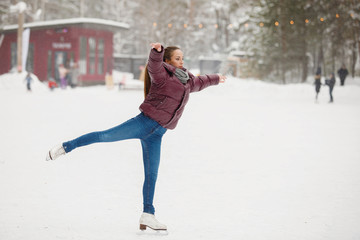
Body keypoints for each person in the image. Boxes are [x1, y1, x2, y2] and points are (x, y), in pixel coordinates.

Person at [46, 42, 226, 231]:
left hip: (157, 134)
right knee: (104, 136)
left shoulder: (187, 80)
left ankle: (148, 214)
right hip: (143, 124)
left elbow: (201, 81)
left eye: (182, 58)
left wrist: (216, 78)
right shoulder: (161, 74)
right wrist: (157, 52)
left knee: (151, 175)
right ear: (168, 61)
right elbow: (154, 64)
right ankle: (66, 147)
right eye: (177, 58)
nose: (181, 62)